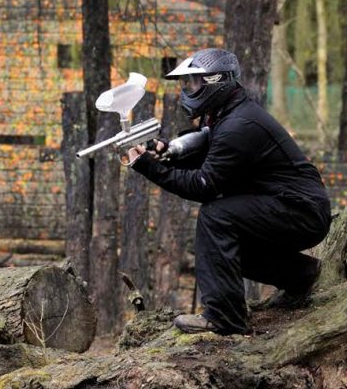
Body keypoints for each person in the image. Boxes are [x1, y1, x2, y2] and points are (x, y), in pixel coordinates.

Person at [126, 48, 331, 335]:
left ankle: (225, 317)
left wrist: (148, 166)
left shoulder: (239, 125)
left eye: (195, 82)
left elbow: (204, 185)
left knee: (216, 216)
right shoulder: (226, 116)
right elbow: (210, 155)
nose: (189, 90)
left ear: (215, 81)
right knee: (224, 249)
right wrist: (166, 152)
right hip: (292, 206)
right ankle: (304, 276)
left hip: (301, 211)